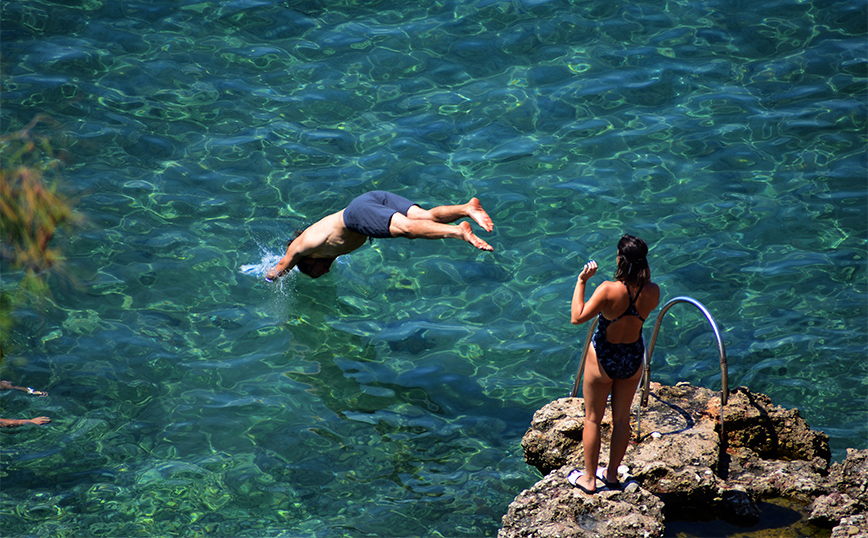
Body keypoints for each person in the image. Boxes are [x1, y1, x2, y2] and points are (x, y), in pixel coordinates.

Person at [567, 234, 660, 494]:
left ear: (620, 259)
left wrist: (581, 281)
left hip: (604, 358)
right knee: (621, 419)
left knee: (593, 419)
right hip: (632, 357)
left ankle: (588, 479)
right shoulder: (653, 291)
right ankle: (611, 475)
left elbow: (577, 317)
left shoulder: (609, 289)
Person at [266, 191, 494, 280]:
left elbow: (280, 266)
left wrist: (267, 278)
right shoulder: (329, 249)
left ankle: (459, 231)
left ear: (308, 261)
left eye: (315, 272)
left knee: (408, 229)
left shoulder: (302, 246)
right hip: (371, 200)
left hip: (357, 214)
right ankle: (467, 208)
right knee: (425, 217)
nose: (325, 271)